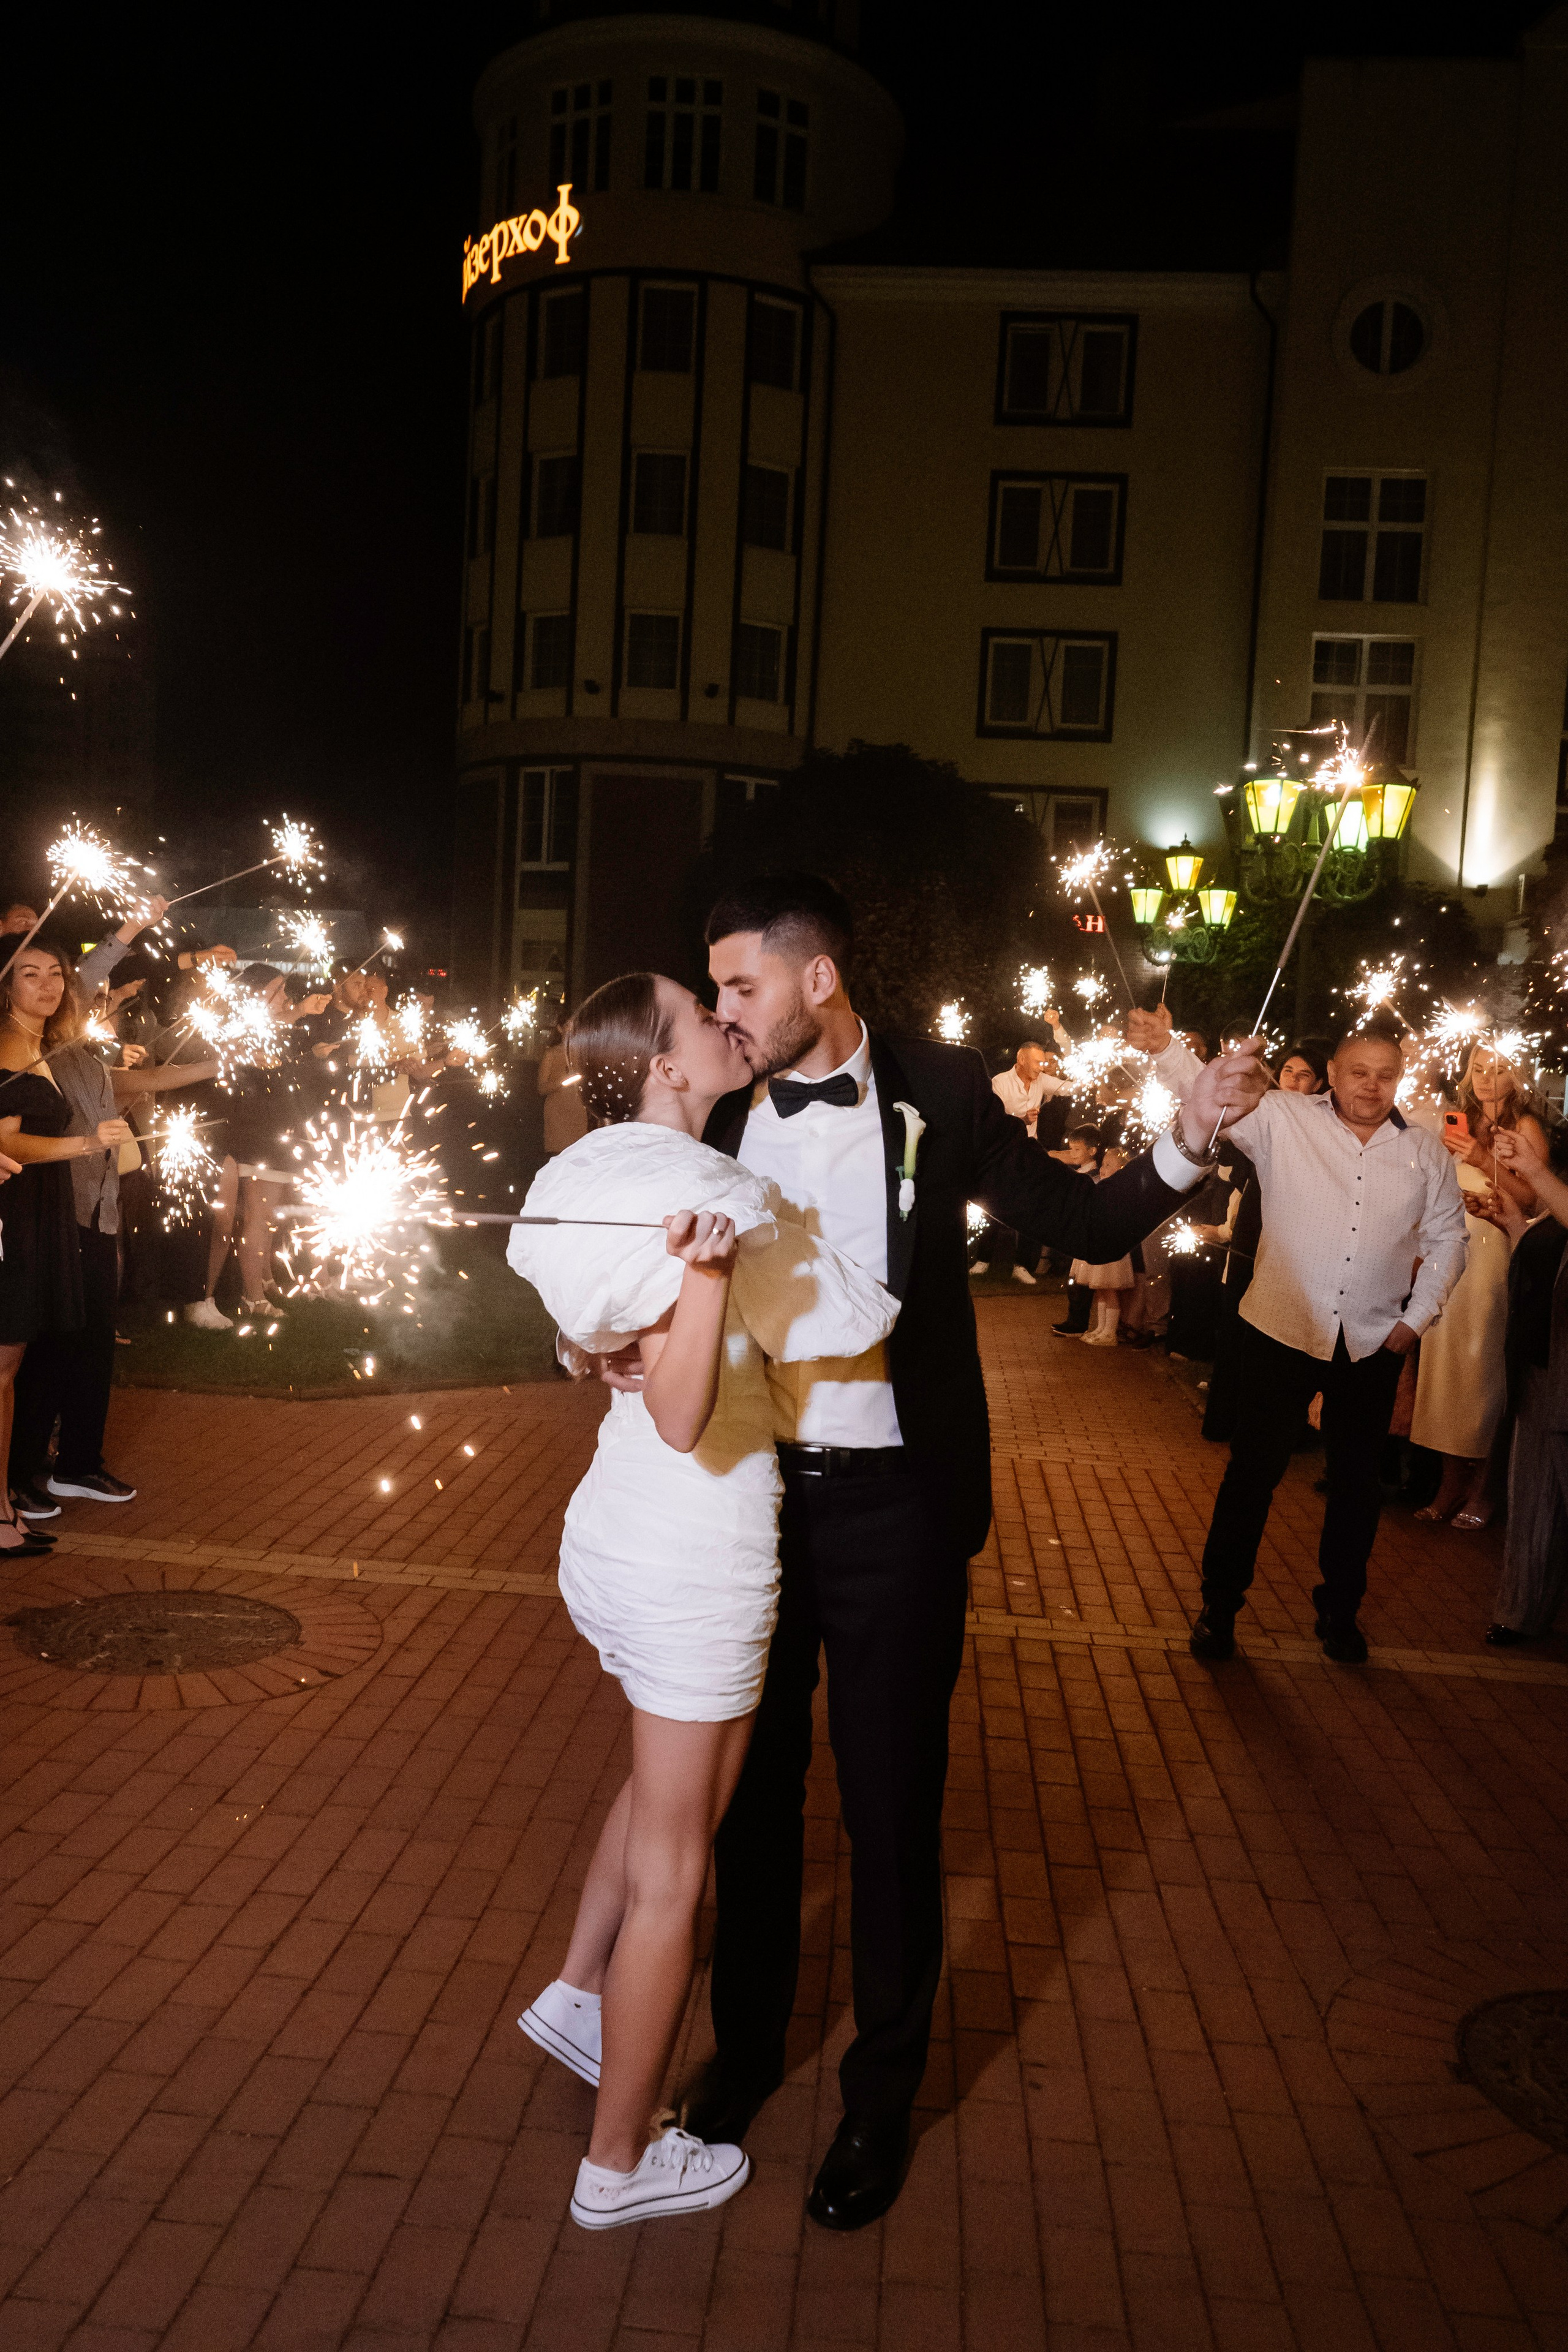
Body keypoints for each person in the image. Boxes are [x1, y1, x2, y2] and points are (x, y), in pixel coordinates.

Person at [581, 873, 1265, 2230]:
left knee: (891, 1809)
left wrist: (1187, 1137)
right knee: (758, 1804)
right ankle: (746, 2049)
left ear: (815, 979)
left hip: (896, 1503)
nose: (724, 1009)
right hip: (750, 1500)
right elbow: (617, 1237)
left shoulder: (940, 1091)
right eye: (715, 991)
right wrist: (589, 1332)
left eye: (741, 986)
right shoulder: (716, 1101)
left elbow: (1075, 1224)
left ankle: (877, 2100)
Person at [507, 972, 898, 2230]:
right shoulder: (705, 1194)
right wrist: (717, 1277)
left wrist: (596, 1343)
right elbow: (684, 1413)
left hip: (611, 1540)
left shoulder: (587, 1175)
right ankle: (617, 2167)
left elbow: (578, 1327)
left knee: (655, 1781)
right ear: (667, 1066)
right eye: (701, 1011)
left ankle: (577, 1992)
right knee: (681, 1870)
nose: (727, 1019)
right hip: (695, 1550)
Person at [1188, 1016, 1468, 1665]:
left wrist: (1415, 1318)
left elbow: (1448, 1238)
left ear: (1400, 1079)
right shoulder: (1284, 1117)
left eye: (1386, 1075)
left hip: (1371, 1341)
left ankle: (1339, 1614)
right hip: (1279, 1329)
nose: (1372, 1087)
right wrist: (1171, 1052)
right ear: (1334, 1074)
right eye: (1359, 1073)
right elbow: (1212, 1104)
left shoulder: (1424, 1150)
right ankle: (1218, 1609)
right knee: (1251, 1477)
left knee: (1354, 1487)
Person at [2, 937, 217, 1512]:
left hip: (100, 1212)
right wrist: (129, 929)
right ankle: (20, 1473)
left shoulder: (78, 1055)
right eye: (33, 975)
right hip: (50, 1217)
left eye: (58, 977)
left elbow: (136, 1086)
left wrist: (217, 1065)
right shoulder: (26, 1053)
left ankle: (76, 1464)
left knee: (92, 1344)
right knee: (44, 1349)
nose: (54, 988)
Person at [1409, 1042, 1549, 1526]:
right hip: (1451, 1250)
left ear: (1517, 1075)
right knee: (1444, 1367)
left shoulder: (1525, 1127)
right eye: (1478, 1068)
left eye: (1498, 1069)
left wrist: (1483, 1156)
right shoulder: (1458, 1117)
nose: (1487, 1078)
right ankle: (1449, 1483)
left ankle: (1485, 1489)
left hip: (1495, 1250)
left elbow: (1533, 1198)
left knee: (1483, 1367)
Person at [1479, 1123, 1568, 1642]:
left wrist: (1533, 1169)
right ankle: (1520, 1612)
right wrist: (1515, 1226)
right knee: (1534, 1499)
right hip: (1545, 1362)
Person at [971, 1039, 1069, 1285]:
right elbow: (994, 1119)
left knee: (1033, 1205)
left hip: (1030, 1150)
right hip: (1003, 1149)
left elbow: (1068, 1088)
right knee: (993, 1204)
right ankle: (983, 1259)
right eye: (1037, 1062)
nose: (1041, 1067)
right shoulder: (1000, 1082)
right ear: (1021, 1060)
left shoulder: (1042, 1080)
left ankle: (1024, 1265)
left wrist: (1088, 1077)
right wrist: (1021, 1119)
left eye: (1043, 1062)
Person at [1070, 1140, 1134, 1344]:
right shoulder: (1100, 1185)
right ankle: (1100, 1327)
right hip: (1098, 1243)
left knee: (1109, 1289)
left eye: (1109, 1166)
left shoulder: (1122, 1192)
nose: (1103, 1169)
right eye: (1104, 1164)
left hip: (1111, 1247)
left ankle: (1110, 1331)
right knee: (1100, 1289)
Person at [1047, 1125, 1101, 1335]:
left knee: (1082, 1282)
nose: (1073, 1154)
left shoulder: (1093, 1177)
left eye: (1078, 1150)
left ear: (1092, 1151)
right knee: (1075, 1280)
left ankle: (1079, 1322)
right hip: (1075, 1234)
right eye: (1072, 1149)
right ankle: (1075, 1319)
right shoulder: (1079, 1173)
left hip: (1084, 1236)